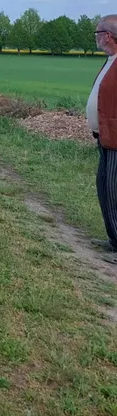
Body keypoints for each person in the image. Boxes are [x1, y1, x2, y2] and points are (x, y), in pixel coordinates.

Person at [88, 15, 117, 253]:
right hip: (105, 138)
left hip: (116, 139)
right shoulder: (111, 60)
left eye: (97, 33)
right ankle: (113, 238)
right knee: (106, 188)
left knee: (114, 190)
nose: (95, 37)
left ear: (107, 36)